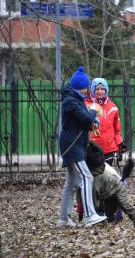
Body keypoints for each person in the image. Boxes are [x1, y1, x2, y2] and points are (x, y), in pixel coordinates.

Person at [57, 66, 107, 228]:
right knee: (87, 177)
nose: (87, 92)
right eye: (86, 88)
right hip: (72, 146)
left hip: (74, 144)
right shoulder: (70, 100)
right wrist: (93, 111)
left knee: (71, 183)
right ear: (82, 87)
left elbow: (83, 120)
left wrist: (93, 121)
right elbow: (85, 118)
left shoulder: (73, 98)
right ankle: (89, 215)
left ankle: (64, 219)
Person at [76, 78, 125, 222]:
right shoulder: (85, 105)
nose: (99, 91)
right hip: (90, 150)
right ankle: (85, 210)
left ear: (106, 90)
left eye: (102, 89)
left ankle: (106, 211)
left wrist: (119, 144)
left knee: (107, 181)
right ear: (92, 90)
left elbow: (117, 129)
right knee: (89, 181)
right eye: (96, 89)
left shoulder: (113, 107)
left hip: (109, 149)